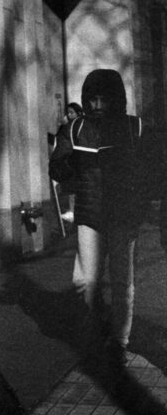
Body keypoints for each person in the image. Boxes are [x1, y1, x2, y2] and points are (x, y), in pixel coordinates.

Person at [49, 69, 153, 364]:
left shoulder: (135, 128)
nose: (97, 106)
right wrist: (71, 161)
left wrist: (139, 205)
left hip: (123, 216)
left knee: (122, 282)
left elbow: (152, 173)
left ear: (116, 100)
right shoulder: (75, 129)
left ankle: (119, 340)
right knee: (86, 281)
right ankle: (94, 334)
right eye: (92, 99)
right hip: (90, 215)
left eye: (103, 100)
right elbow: (57, 170)